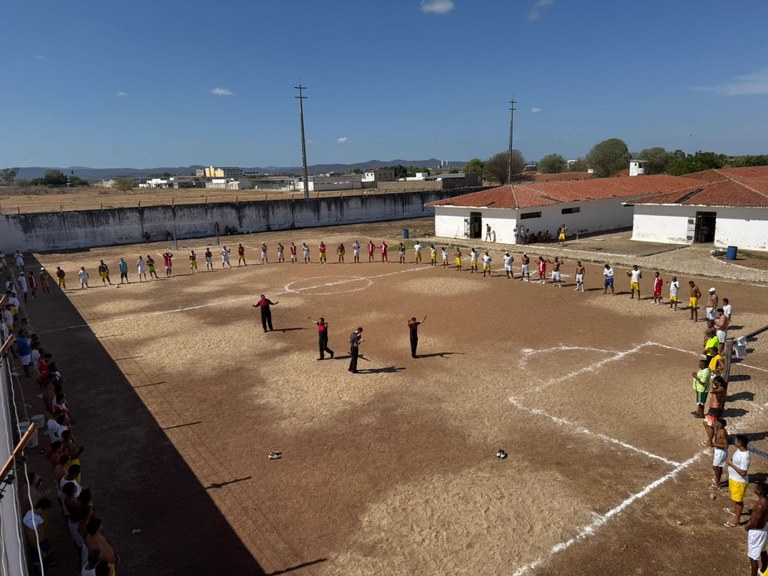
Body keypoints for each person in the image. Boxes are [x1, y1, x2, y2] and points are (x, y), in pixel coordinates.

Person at [724, 435, 751, 528]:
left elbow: (743, 473)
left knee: (738, 500)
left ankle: (737, 520)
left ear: (740, 443)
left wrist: (731, 464)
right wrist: (732, 461)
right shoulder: (740, 450)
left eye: (736, 441)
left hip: (739, 482)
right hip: (734, 479)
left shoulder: (745, 457)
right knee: (735, 498)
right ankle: (735, 511)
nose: (734, 442)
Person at [744, 482, 768, 576]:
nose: (754, 488)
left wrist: (747, 527)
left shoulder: (760, 506)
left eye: (756, 487)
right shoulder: (766, 500)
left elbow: (756, 523)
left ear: (759, 491)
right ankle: (764, 569)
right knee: (762, 549)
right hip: (764, 528)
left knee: (753, 557)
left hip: (757, 531)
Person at [701, 375, 727, 447]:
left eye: (715, 382)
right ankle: (711, 437)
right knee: (705, 423)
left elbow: (712, 391)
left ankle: (710, 441)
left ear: (719, 383)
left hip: (715, 410)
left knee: (709, 425)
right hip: (713, 410)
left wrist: (712, 382)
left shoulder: (721, 389)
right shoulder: (719, 388)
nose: (714, 383)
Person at [711, 418, 729, 489]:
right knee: (718, 467)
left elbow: (726, 446)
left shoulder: (722, 432)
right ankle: (717, 480)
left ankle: (717, 483)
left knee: (716, 467)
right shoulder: (718, 430)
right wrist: (715, 449)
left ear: (721, 425)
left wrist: (715, 445)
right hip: (718, 450)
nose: (715, 424)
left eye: (716, 423)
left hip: (721, 452)